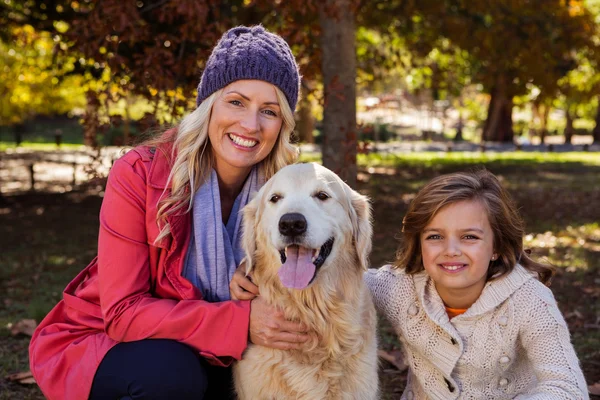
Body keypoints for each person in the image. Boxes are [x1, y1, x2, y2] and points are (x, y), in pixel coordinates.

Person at [29, 25, 310, 400]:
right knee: (172, 375)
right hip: (110, 340)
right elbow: (123, 313)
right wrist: (238, 318)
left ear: (283, 124)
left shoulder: (286, 192)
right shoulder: (140, 173)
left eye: (269, 111)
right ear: (209, 104)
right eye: (236, 102)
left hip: (215, 348)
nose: (250, 124)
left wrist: (260, 278)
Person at [364, 169, 588, 400]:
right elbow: (340, 281)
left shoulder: (529, 299)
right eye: (435, 237)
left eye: (469, 237)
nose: (451, 251)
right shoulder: (399, 288)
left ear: (497, 247)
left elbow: (568, 389)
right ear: (419, 244)